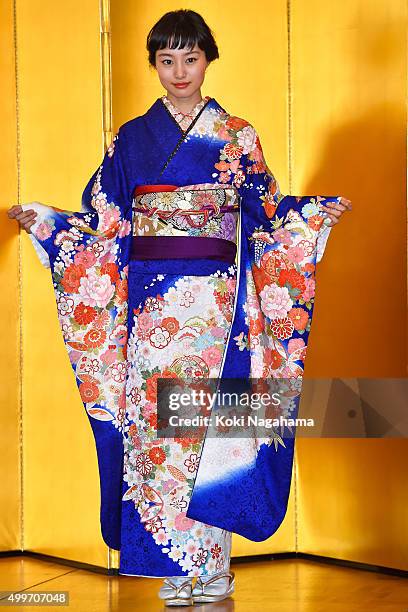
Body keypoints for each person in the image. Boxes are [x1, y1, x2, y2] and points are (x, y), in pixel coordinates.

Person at [8, 9, 352, 607]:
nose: (179, 72)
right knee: (160, 437)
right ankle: (175, 562)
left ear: (208, 59)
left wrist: (311, 216)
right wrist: (50, 223)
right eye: (166, 61)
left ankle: (212, 566)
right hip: (149, 306)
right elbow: (102, 222)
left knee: (207, 433)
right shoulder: (130, 140)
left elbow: (267, 213)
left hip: (214, 307)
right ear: (154, 65)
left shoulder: (238, 134)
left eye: (190, 59)